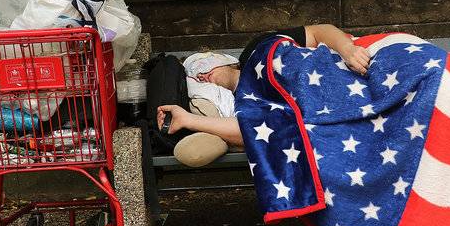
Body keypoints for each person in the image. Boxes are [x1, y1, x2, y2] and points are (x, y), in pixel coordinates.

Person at [156, 24, 371, 149]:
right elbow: (248, 130)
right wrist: (189, 119)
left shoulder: (257, 49)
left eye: (202, 65)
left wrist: (347, 48)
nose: (201, 75)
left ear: (227, 60)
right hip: (339, 112)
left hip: (352, 74)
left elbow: (319, 31)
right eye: (195, 78)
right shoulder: (245, 102)